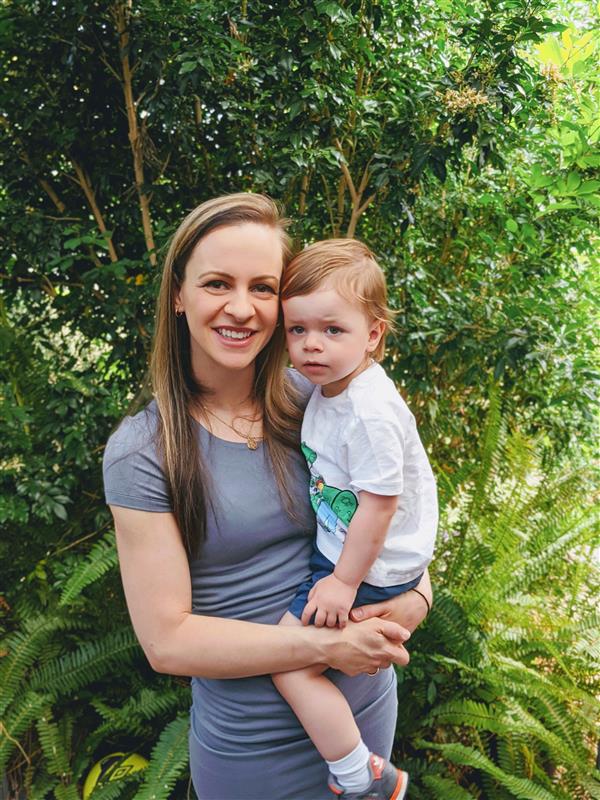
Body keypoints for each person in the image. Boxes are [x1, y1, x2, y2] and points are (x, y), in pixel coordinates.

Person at [102, 193, 433, 800]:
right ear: (178, 295)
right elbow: (167, 642)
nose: (240, 307)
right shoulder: (143, 451)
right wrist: (328, 644)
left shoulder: (320, 395)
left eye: (262, 287)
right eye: (217, 283)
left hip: (365, 715)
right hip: (253, 750)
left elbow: (393, 504)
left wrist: (419, 593)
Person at [273, 238, 438, 800]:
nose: (311, 345)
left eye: (332, 330)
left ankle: (361, 773)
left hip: (364, 560)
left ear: (373, 335)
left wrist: (343, 581)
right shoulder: (331, 387)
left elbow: (381, 504)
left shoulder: (368, 410)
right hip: (352, 546)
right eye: (297, 330)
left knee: (289, 663)